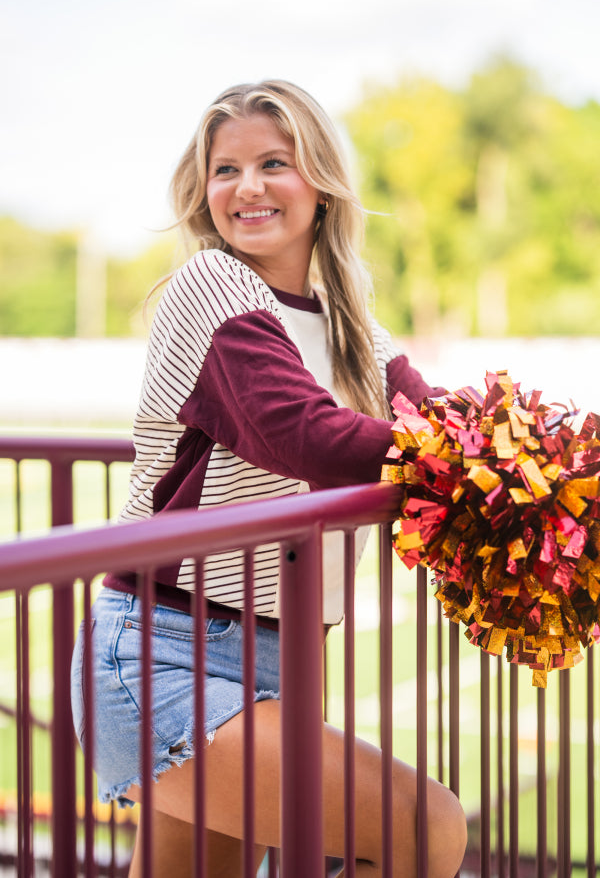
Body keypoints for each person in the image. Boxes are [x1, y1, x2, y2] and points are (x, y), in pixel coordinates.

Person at [71, 79, 467, 877]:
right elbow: (302, 434)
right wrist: (467, 467)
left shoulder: (351, 322)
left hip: (272, 656)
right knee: (423, 829)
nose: (247, 187)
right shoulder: (212, 285)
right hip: (162, 650)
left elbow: (444, 426)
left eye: (273, 163)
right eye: (226, 170)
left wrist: (528, 462)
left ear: (321, 183)